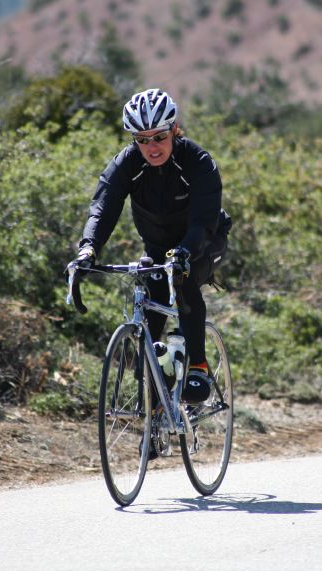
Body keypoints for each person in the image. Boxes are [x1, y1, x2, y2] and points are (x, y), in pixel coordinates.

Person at [67, 88, 231, 403]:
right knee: (152, 312)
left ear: (173, 130)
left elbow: (203, 221)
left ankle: (196, 364)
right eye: (142, 139)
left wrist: (185, 252)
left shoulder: (197, 162)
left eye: (159, 136)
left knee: (183, 279)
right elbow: (102, 208)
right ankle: (155, 401)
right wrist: (87, 250)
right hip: (158, 247)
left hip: (204, 241)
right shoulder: (128, 164)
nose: (152, 146)